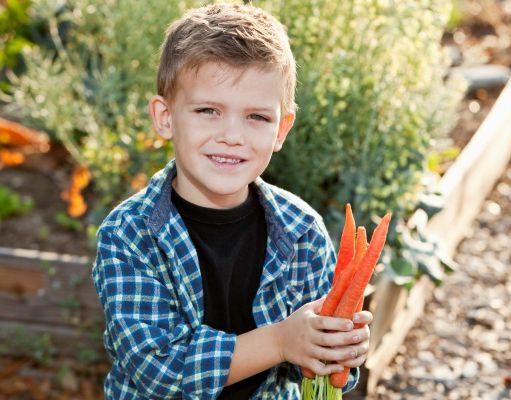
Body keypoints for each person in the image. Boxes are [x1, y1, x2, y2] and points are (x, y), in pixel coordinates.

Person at [92, 3, 372, 399]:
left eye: (257, 117)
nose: (232, 135)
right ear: (165, 116)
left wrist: (335, 347)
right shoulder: (130, 234)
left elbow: (326, 371)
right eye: (208, 110)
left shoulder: (301, 230)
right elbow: (157, 368)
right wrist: (279, 341)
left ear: (282, 128)